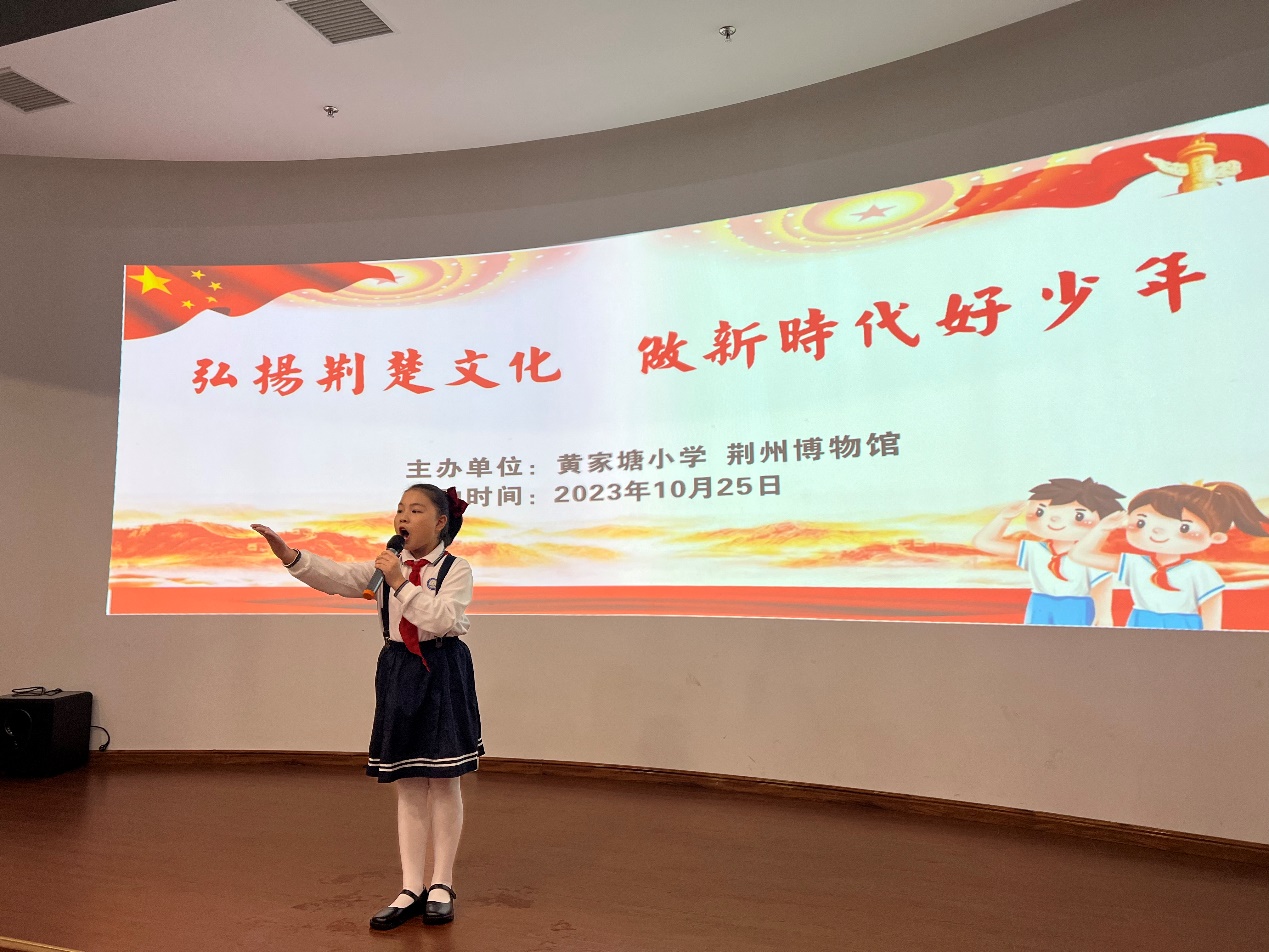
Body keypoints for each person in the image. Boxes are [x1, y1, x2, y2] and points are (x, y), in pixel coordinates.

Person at [251, 483, 482, 929]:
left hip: (442, 669)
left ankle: (441, 883)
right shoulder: (385, 566)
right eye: (400, 509)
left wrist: (400, 584)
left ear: (441, 522)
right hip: (399, 669)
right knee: (408, 782)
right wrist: (290, 555)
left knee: (444, 781)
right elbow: (338, 577)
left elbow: (442, 620)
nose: (403, 517)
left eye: (416, 510)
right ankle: (411, 886)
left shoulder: (456, 569)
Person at [1070, 481, 1269, 630]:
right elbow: (1080, 555)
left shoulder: (1200, 572)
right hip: (1141, 622)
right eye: (1142, 522)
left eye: (1183, 527)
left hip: (1184, 626)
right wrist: (1103, 528)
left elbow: (1212, 618)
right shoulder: (1134, 564)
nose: (1157, 532)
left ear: (1216, 537)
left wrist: (1211, 643)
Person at [972, 477, 1124, 626]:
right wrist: (1004, 518)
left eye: (1079, 516)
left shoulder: (1088, 556)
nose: (1054, 520)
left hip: (1076, 605)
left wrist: (1103, 615)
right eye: (1040, 512)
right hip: (1039, 603)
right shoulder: (1034, 550)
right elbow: (983, 542)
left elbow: (1102, 585)